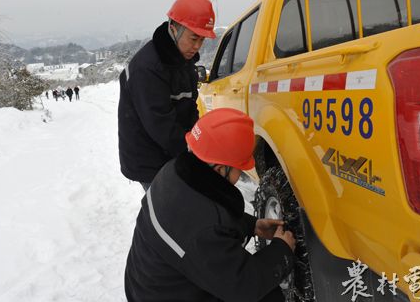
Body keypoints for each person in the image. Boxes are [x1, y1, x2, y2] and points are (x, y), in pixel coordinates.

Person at [125, 108, 296, 301]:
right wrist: (282, 250)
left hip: (151, 285)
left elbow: (205, 219)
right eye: (240, 168)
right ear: (221, 169)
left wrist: (252, 225)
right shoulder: (204, 228)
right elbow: (244, 287)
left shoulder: (173, 172)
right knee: (267, 296)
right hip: (163, 294)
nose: (241, 174)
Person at [118, 0, 216, 191]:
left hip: (170, 150)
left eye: (203, 40)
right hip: (147, 158)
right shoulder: (147, 69)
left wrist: (198, 140)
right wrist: (194, 154)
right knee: (167, 213)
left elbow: (190, 107)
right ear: (173, 29)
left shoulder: (185, 60)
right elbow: (161, 126)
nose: (197, 47)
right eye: (194, 38)